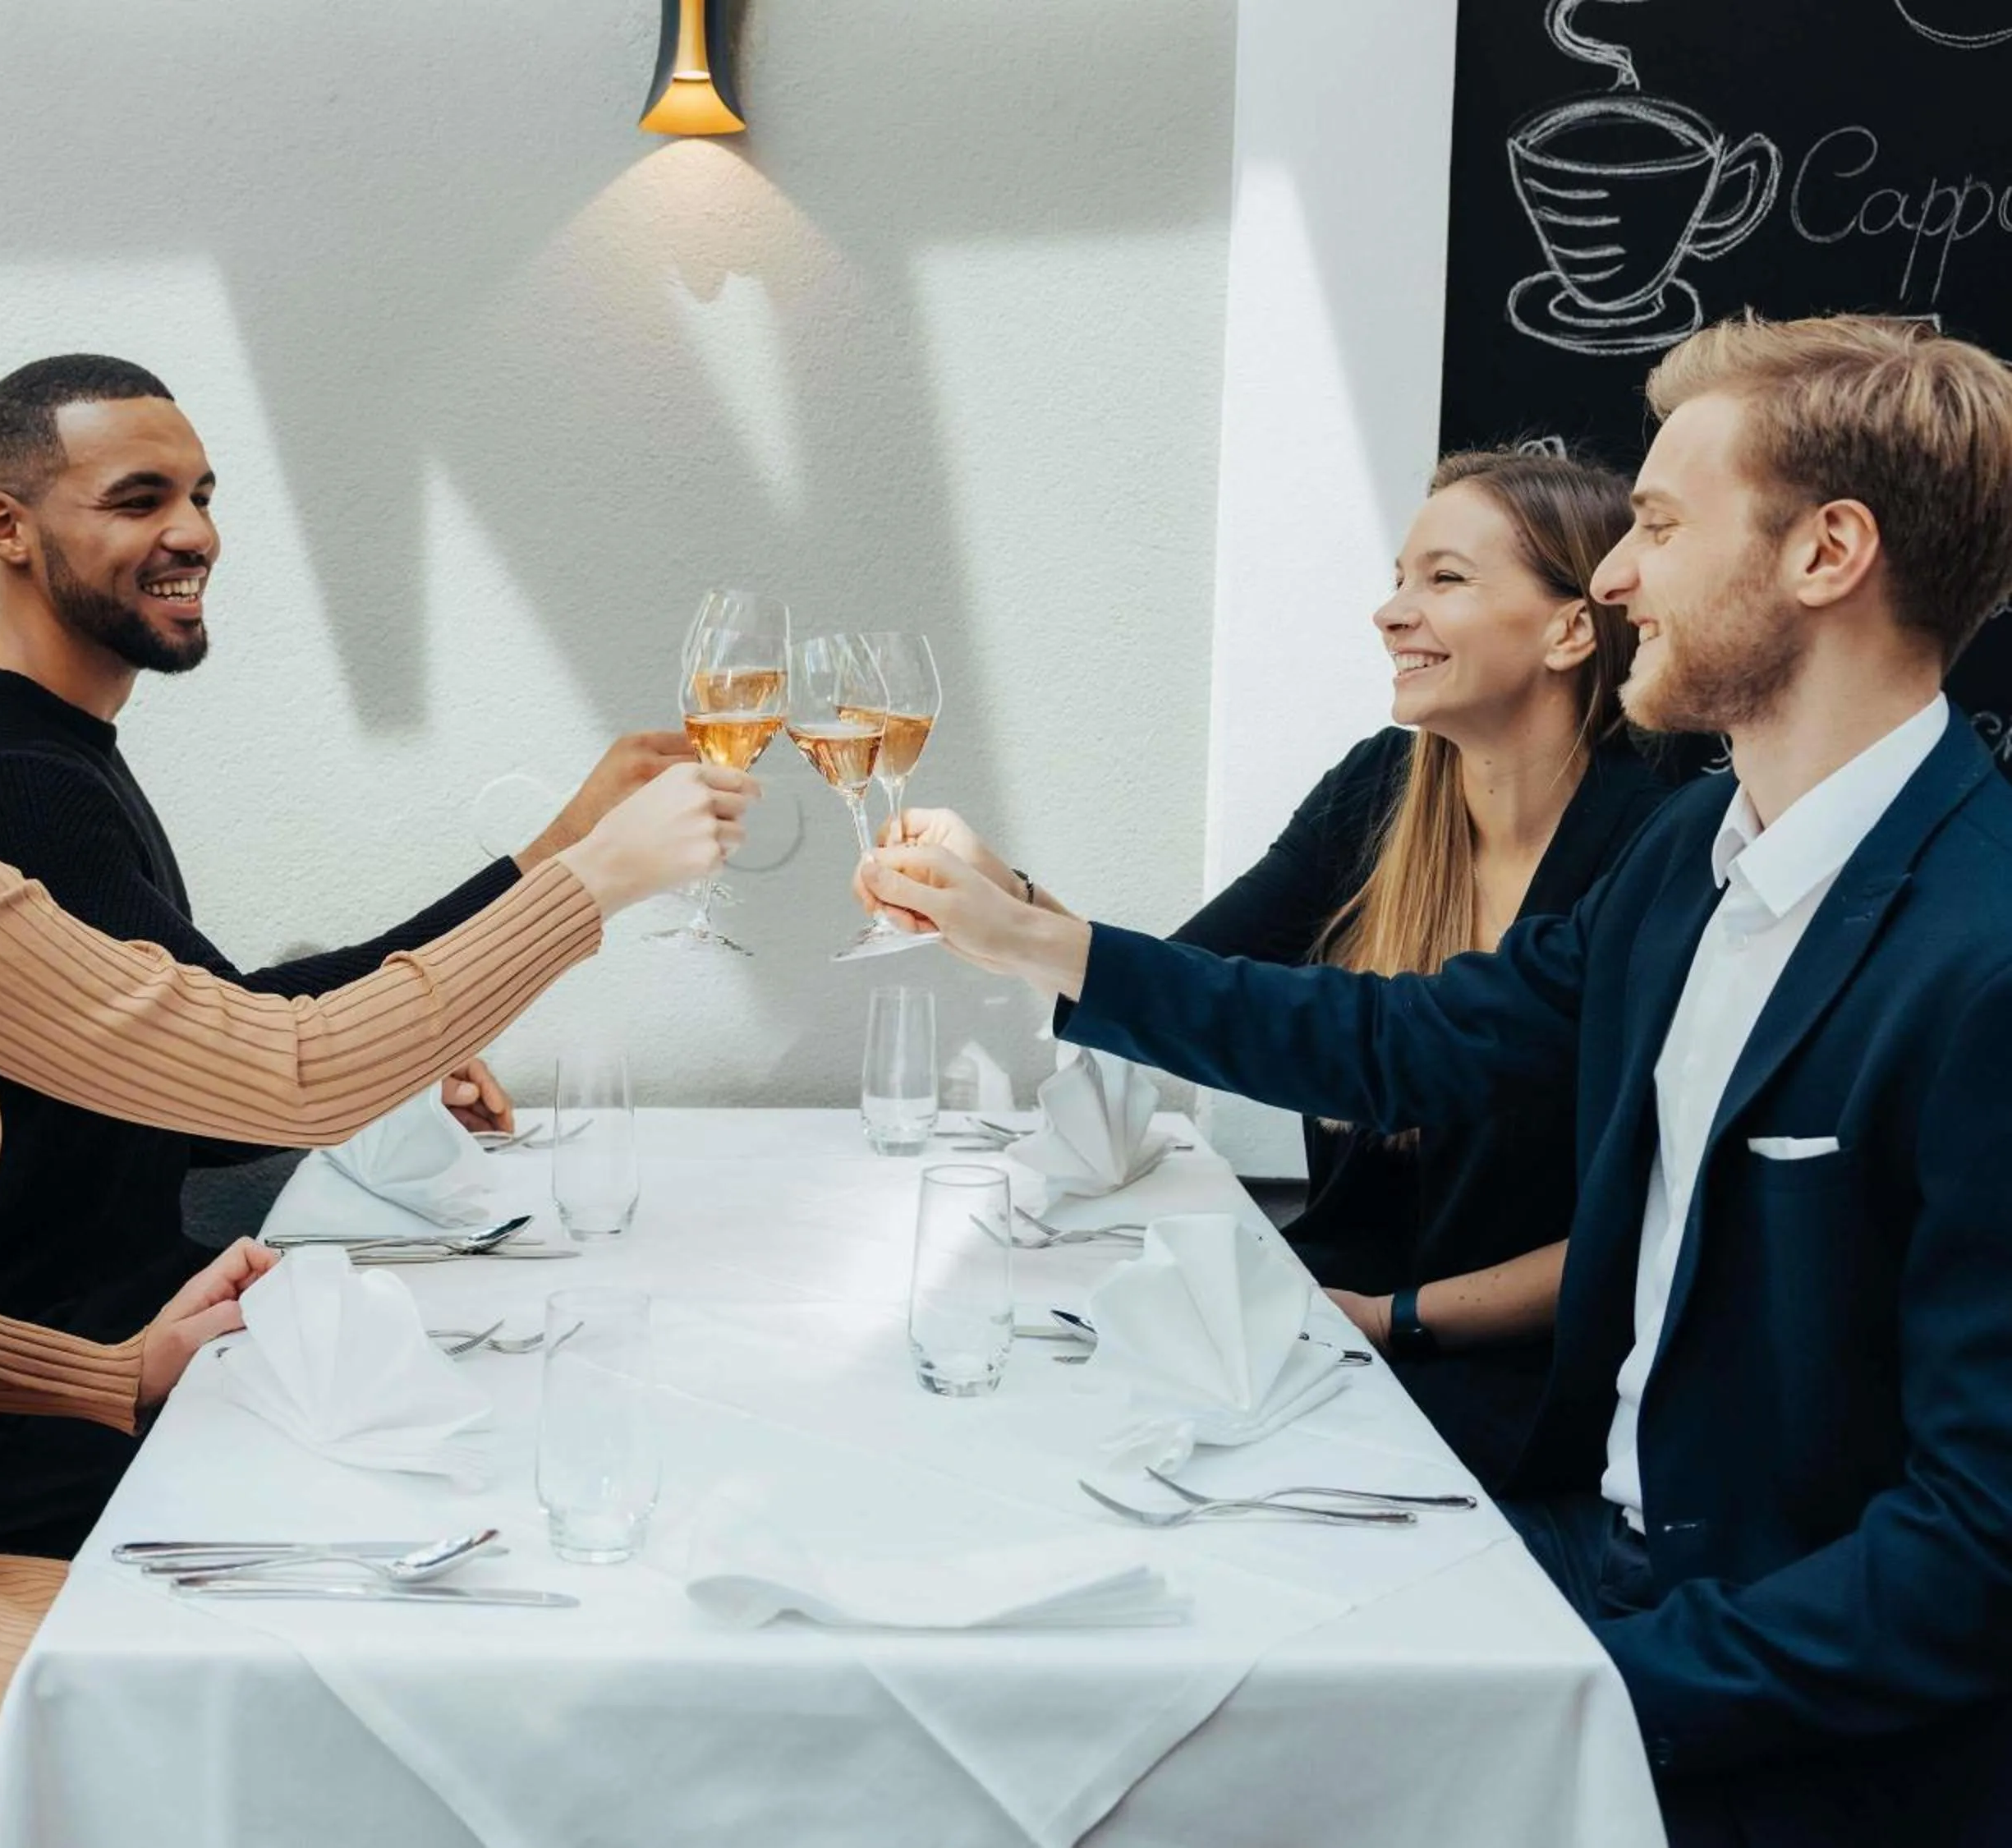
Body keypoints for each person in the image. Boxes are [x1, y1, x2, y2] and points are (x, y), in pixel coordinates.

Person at [0, 365, 751, 1848]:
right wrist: (595, 877)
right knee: (431, 1743)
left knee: (380, 1663)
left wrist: (109, 1376)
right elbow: (290, 1072)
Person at [858, 315, 2012, 1846]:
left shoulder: (1984, 956)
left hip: (1764, 1706)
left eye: (1659, 527)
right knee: (1091, 1641)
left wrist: (1582, 1687)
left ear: (1829, 553)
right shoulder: (1694, 858)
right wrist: (1042, 942)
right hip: (1577, 1554)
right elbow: (1402, 1041)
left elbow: (1975, 1556)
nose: (1615, 577)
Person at [0, 353, 692, 1557]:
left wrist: (542, 866)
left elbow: (209, 1022)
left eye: (203, 494)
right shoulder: (10, 781)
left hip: (137, 1342)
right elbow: (230, 1086)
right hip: (54, 1424)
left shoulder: (42, 750)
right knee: (573, 1475)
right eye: (140, 500)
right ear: (6, 529)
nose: (194, 531)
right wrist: (572, 870)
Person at [892, 447, 1670, 1483]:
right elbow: (1189, 988)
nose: (1390, 612)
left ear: (1573, 626)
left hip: (1513, 1389)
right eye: (1398, 577)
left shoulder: (1655, 848)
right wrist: (1006, 895)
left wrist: (1394, 1321)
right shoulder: (1381, 789)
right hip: (1321, 1328)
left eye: (1443, 578)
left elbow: (1654, 1226)